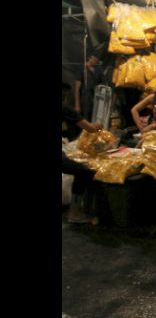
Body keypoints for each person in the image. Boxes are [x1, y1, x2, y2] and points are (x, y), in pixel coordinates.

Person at [62, 82, 103, 224]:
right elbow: (91, 128)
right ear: (66, 96)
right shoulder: (65, 108)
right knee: (85, 171)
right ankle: (74, 212)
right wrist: (100, 125)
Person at [74, 44, 110, 121]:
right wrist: (77, 105)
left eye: (98, 60)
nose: (96, 61)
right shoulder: (81, 69)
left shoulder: (98, 70)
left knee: (93, 119)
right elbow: (77, 88)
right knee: (84, 120)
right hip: (84, 99)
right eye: (95, 59)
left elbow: (104, 83)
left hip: (95, 99)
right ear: (90, 58)